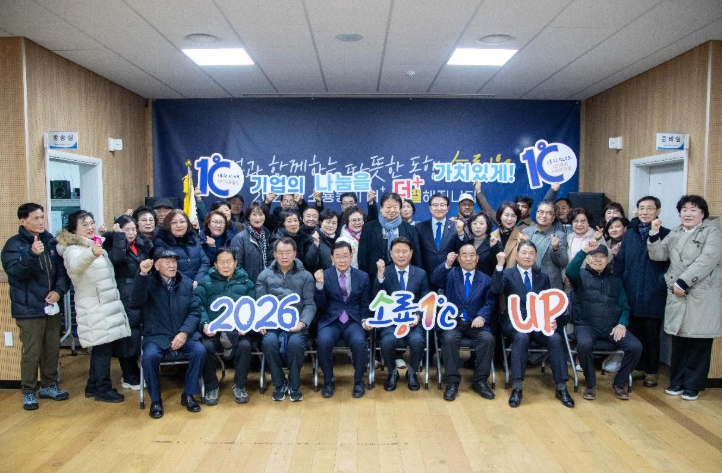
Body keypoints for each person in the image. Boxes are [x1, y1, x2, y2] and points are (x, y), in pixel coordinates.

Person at [648, 195, 721, 401]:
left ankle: (693, 385)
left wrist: (683, 282)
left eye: (693, 210)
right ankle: (677, 381)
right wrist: (654, 234)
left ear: (702, 214)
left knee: (699, 341)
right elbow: (659, 255)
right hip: (677, 293)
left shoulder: (712, 232)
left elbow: (707, 260)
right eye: (684, 210)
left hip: (701, 292)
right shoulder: (676, 232)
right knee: (679, 340)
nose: (688, 214)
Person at [56, 210, 130, 403]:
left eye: (91, 223)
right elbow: (75, 266)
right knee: (102, 349)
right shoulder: (72, 249)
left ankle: (92, 386)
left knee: (101, 348)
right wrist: (90, 254)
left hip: (104, 304)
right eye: (84, 225)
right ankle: (103, 389)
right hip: (94, 307)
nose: (90, 227)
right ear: (74, 229)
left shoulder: (92, 244)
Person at [1, 203, 70, 410]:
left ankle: (49, 385)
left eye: (42, 217)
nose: (41, 222)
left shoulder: (50, 242)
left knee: (52, 348)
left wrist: (58, 291)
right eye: (36, 218)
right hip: (28, 308)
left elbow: (63, 272)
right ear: (23, 221)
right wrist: (31, 254)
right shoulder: (13, 245)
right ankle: (28, 391)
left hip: (51, 306)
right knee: (32, 351)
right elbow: (16, 273)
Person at [491, 241, 575, 408]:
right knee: (521, 338)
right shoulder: (507, 274)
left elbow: (548, 304)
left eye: (531, 253)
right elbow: (495, 289)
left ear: (535, 257)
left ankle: (561, 387)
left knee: (555, 339)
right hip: (515, 323)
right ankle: (517, 387)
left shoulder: (542, 277)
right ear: (516, 256)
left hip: (538, 323)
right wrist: (499, 266)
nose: (527, 256)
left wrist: (551, 319)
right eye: (524, 253)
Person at [128, 249, 205, 419]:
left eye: (174, 262)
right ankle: (156, 400)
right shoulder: (147, 282)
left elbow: (195, 311)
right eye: (167, 262)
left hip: (182, 334)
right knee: (149, 357)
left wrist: (184, 332)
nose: (172, 265)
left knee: (199, 350)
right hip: (157, 336)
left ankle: (188, 394)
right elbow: (135, 301)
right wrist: (142, 274)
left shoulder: (186, 283)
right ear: (156, 265)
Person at [566, 239, 642, 401]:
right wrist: (583, 251)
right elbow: (570, 271)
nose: (598, 260)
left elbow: (625, 307)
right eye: (594, 256)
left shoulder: (616, 280)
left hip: (611, 327)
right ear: (587, 259)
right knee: (584, 345)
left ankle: (619, 383)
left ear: (607, 260)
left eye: (602, 257)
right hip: (586, 325)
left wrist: (622, 324)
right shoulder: (579, 276)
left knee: (635, 347)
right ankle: (591, 384)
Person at [613, 196, 670, 388]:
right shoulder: (629, 235)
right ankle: (637, 367)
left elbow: (669, 264)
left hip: (653, 292)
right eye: (641, 208)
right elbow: (621, 262)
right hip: (630, 290)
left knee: (652, 335)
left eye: (649, 208)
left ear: (658, 211)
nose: (645, 212)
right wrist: (618, 284)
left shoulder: (666, 234)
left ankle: (651, 371)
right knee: (634, 333)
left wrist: (661, 283)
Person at [430, 244, 496, 402]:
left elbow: (490, 302)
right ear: (458, 259)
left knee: (487, 339)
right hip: (453, 322)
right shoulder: (450, 274)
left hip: (475, 322)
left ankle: (480, 381)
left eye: (472, 255)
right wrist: (447, 263)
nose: (468, 258)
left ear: (477, 258)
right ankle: (452, 382)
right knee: (449, 339)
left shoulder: (486, 279)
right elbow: (435, 279)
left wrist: (482, 316)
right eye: (464, 255)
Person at [256, 237, 316, 402]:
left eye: (288, 252)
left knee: (296, 344)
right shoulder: (264, 275)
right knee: (269, 343)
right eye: (280, 253)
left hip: (296, 324)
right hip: (272, 324)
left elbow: (310, 304)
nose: (284, 256)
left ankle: (294, 385)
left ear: (294, 254)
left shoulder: (306, 276)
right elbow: (259, 303)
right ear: (274, 254)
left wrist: (302, 323)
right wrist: (260, 321)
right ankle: (279, 383)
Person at [197, 248, 256, 405]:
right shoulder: (205, 282)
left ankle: (240, 386)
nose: (225, 265)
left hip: (238, 330)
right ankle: (211, 387)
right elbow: (198, 306)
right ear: (215, 264)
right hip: (213, 331)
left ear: (235, 263)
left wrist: (246, 325)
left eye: (229, 262)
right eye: (221, 262)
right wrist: (204, 324)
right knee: (205, 347)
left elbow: (252, 307)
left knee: (245, 345)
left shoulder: (246, 282)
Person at [314, 241, 372, 398]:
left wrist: (365, 319)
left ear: (351, 256)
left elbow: (365, 303)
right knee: (323, 341)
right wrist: (319, 285)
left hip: (353, 320)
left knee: (359, 342)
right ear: (332, 258)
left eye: (345, 256)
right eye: (338, 256)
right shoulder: (324, 275)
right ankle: (328, 381)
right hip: (330, 320)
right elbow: (319, 304)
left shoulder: (362, 276)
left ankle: (359, 381)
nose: (341, 260)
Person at [370, 237, 429, 391]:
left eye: (404, 251)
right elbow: (376, 298)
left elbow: (425, 300)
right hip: (391, 322)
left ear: (411, 253)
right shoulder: (385, 272)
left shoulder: (420, 273)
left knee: (417, 341)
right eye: (397, 252)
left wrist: (418, 316)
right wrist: (380, 276)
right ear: (391, 253)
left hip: (412, 321)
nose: (401, 255)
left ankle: (412, 372)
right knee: (387, 341)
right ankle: (392, 372)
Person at [104, 215, 154, 391]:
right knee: (127, 334)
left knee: (139, 332)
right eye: (126, 230)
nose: (131, 233)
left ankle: (137, 370)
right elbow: (117, 259)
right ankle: (128, 374)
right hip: (124, 293)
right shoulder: (112, 245)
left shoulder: (142, 244)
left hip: (143, 291)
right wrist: (118, 237)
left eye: (133, 229)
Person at [358, 192, 422, 283]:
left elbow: (417, 257)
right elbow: (363, 257)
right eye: (388, 207)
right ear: (381, 208)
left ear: (400, 209)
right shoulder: (369, 227)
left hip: (403, 278)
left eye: (395, 207)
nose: (392, 210)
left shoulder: (409, 229)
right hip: (375, 277)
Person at [153, 209, 210, 286]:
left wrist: (197, 281)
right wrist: (189, 283)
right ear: (168, 225)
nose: (179, 225)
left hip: (198, 284)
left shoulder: (194, 239)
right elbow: (167, 268)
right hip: (176, 286)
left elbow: (205, 262)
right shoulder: (162, 242)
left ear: (187, 224)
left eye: (182, 221)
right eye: (174, 222)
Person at [521, 200, 569, 290]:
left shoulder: (559, 235)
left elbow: (562, 262)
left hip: (550, 283)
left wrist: (555, 248)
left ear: (553, 217)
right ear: (536, 214)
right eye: (541, 212)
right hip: (527, 281)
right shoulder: (526, 232)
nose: (543, 216)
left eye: (548, 213)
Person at [417, 193, 458, 289]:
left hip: (449, 276)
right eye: (435, 205)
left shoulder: (455, 227)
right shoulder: (419, 227)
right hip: (426, 276)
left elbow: (459, 249)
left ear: (447, 208)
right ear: (430, 208)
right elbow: (417, 254)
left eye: (442, 205)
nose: (439, 208)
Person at [230, 202, 271, 283]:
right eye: (254, 214)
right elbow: (236, 266)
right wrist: (246, 283)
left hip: (266, 283)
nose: (258, 218)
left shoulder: (268, 235)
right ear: (249, 217)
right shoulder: (240, 238)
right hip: (247, 284)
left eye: (261, 214)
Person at [459, 211, 502, 277]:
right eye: (475, 223)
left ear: (487, 226)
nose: (478, 226)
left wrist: (493, 248)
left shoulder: (495, 243)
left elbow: (500, 266)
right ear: (470, 225)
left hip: (487, 281)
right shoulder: (467, 242)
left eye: (481, 223)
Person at [490, 202, 524, 269]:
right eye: (506, 215)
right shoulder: (491, 236)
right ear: (500, 216)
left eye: (513, 216)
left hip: (512, 275)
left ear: (517, 218)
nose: (509, 219)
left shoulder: (522, 238)